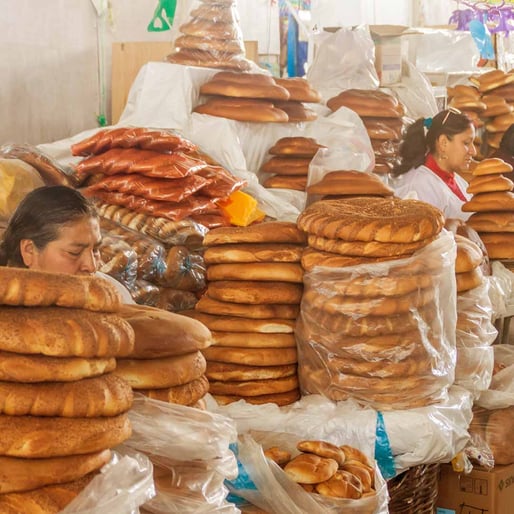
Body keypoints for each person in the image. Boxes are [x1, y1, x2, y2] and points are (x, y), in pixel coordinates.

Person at [0, 185, 134, 303]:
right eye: (74, 253)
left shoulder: (114, 295)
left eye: (95, 250)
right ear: (29, 250)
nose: (92, 266)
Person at [391, 107, 476, 221]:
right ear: (443, 143)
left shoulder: (459, 181)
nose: (473, 151)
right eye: (466, 143)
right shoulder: (419, 186)